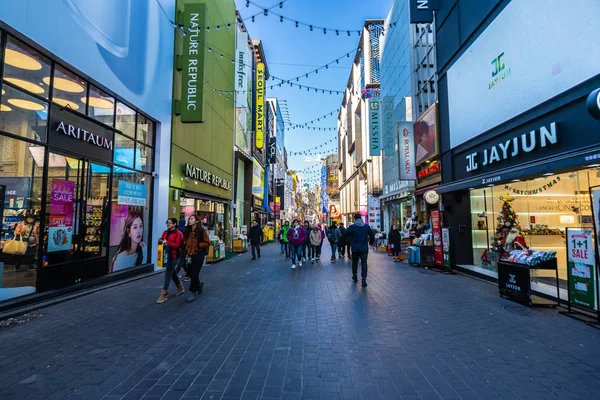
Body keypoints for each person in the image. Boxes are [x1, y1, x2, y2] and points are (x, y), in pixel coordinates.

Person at [183, 214, 211, 302]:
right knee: (191, 273)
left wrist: (199, 245)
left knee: (195, 273)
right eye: (189, 219)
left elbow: (207, 242)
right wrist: (186, 246)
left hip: (199, 254)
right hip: (190, 255)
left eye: (192, 219)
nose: (190, 220)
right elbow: (184, 241)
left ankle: (192, 291)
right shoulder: (187, 231)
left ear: (196, 221)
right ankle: (199, 285)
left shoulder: (202, 231)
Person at [156, 218, 185, 303]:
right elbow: (162, 240)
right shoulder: (165, 232)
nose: (168, 224)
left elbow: (177, 245)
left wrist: (166, 242)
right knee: (172, 272)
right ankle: (180, 287)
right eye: (167, 223)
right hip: (166, 254)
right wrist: (161, 240)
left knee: (168, 272)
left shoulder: (178, 233)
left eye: (170, 223)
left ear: (175, 224)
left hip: (174, 255)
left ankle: (164, 292)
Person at [346, 213, 375, 287]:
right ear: (361, 218)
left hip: (355, 248)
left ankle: (355, 275)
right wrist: (371, 242)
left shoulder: (352, 227)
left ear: (355, 219)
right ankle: (363, 280)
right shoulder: (366, 226)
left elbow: (345, 234)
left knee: (354, 263)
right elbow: (372, 235)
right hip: (364, 248)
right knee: (364, 263)